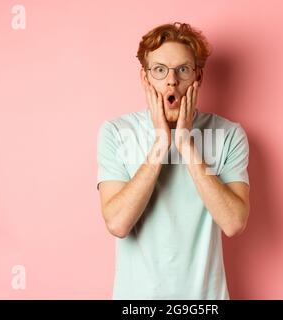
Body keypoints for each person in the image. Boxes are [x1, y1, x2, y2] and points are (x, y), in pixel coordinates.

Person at [96, 22, 250, 299]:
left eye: (183, 69)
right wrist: (161, 144)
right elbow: (117, 223)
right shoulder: (116, 132)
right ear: (145, 78)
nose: (171, 81)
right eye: (159, 70)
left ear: (198, 77)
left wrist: (185, 144)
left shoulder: (229, 134)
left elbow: (234, 223)